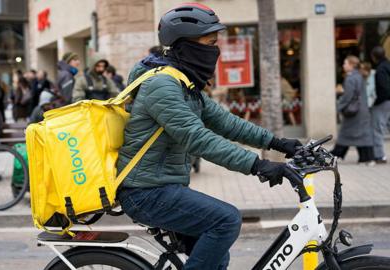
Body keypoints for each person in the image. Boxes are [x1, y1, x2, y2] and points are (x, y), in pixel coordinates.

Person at [116, 4, 302, 269]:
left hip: (164, 187)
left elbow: (227, 123)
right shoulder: (161, 85)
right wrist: (257, 165)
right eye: (210, 42)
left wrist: (277, 143)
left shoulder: (183, 82)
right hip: (145, 192)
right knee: (226, 220)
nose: (215, 50)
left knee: (217, 255)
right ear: (186, 44)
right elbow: (197, 138)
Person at [331, 55, 374, 164]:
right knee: (362, 135)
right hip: (362, 110)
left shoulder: (350, 78)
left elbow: (348, 96)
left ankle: (337, 154)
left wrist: (339, 107)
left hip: (354, 112)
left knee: (346, 133)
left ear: (351, 65)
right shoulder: (360, 76)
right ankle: (366, 157)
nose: (343, 65)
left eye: (345, 63)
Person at [370, 46, 390, 164]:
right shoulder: (388, 65)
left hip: (383, 102)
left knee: (377, 129)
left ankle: (380, 156)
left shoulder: (380, 69)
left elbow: (383, 88)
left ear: (374, 57)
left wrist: (376, 102)